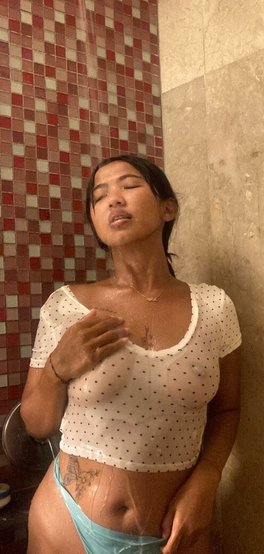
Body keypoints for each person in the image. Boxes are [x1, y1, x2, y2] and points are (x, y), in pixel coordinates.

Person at [20, 154, 242, 554]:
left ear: (167, 207)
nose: (114, 199)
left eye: (130, 185)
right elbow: (37, 425)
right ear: (95, 222)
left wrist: (207, 479)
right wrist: (56, 368)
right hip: (65, 526)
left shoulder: (214, 308)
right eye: (99, 196)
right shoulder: (67, 306)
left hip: (175, 534)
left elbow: (227, 409)